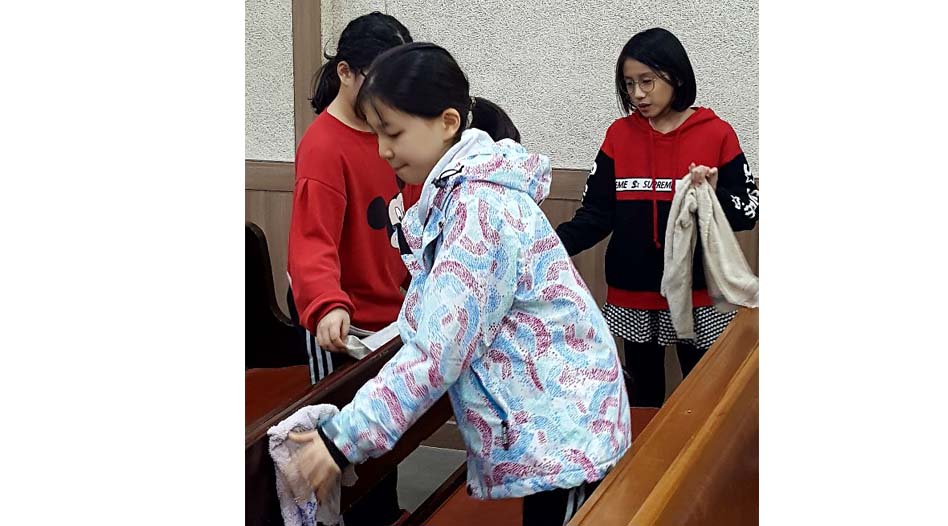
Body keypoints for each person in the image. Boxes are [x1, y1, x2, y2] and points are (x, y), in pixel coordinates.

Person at [288, 42, 630, 526]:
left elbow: (437, 349)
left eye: (393, 132)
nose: (383, 149)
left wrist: (343, 440)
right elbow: (431, 321)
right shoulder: (456, 196)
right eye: (376, 132)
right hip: (554, 422)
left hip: (567, 431)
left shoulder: (479, 210)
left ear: (448, 122)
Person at [555, 27, 759, 408]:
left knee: (703, 398)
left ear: (675, 76)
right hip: (633, 293)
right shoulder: (618, 135)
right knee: (643, 399)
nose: (637, 94)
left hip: (699, 296)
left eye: (647, 81)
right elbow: (596, 215)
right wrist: (547, 244)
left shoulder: (717, 134)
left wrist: (712, 196)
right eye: (629, 84)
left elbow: (749, 210)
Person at [285, 12, 420, 526]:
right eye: (380, 81)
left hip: (392, 320)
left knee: (385, 445)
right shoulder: (324, 145)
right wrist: (326, 305)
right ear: (345, 73)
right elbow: (310, 244)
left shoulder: (392, 132)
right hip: (345, 329)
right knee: (346, 464)